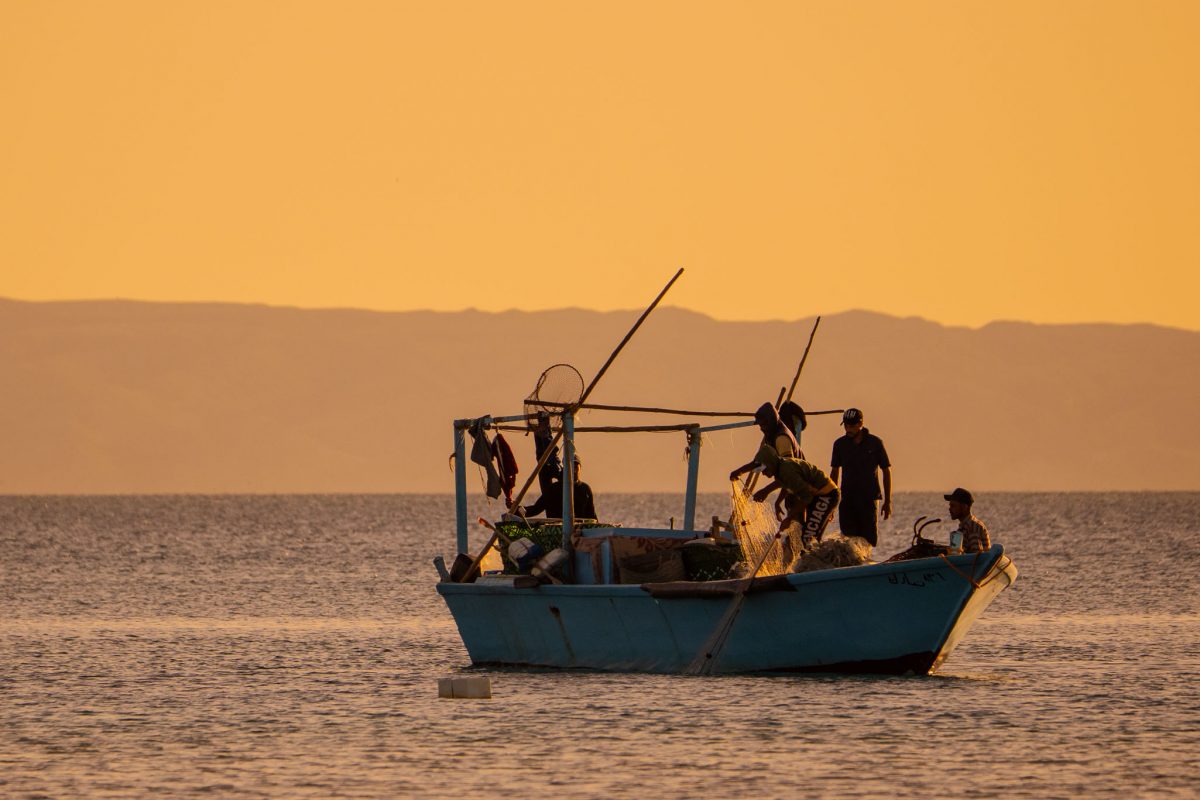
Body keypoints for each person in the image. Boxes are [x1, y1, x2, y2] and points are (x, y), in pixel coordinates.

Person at [751, 445, 839, 556]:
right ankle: (811, 563)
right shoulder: (781, 469)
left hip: (827, 496)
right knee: (806, 535)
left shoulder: (787, 470)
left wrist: (789, 518)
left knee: (808, 538)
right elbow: (785, 484)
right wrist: (777, 502)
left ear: (771, 464)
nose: (763, 473)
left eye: (764, 469)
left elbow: (806, 498)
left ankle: (818, 566)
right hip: (815, 497)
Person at [829, 408, 892, 548]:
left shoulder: (875, 443)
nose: (848, 429)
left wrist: (887, 501)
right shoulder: (840, 444)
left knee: (868, 540)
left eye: (851, 426)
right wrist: (831, 504)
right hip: (847, 499)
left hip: (868, 499)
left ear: (860, 424)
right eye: (845, 425)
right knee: (848, 540)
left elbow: (886, 471)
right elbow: (834, 472)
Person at [728, 402, 800, 482]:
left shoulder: (781, 438)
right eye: (760, 426)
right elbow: (761, 460)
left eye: (764, 425)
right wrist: (739, 472)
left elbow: (789, 472)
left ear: (771, 422)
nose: (761, 429)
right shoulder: (771, 435)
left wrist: (765, 491)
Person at [520, 454, 597, 521]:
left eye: (576, 467)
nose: (574, 471)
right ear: (564, 468)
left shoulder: (585, 489)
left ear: (580, 468)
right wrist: (516, 510)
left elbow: (592, 516)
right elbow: (536, 509)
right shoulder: (553, 489)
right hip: (556, 529)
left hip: (579, 531)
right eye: (570, 467)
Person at [945, 487, 990, 553]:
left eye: (953, 506)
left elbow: (977, 556)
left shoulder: (972, 526)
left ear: (965, 507)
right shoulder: (964, 526)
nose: (949, 509)